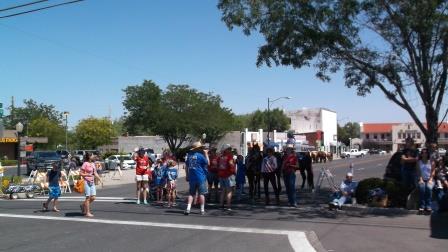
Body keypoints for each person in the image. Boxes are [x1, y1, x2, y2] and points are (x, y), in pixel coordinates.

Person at [184, 141, 209, 215]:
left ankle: (188, 209)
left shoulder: (189, 155)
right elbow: (207, 163)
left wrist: (187, 175)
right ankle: (202, 210)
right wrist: (206, 154)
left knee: (191, 194)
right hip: (200, 177)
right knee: (201, 194)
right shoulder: (200, 155)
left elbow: (186, 166)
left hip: (192, 177)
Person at [80, 152, 102, 217]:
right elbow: (80, 173)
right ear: (89, 157)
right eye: (92, 155)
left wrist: (100, 180)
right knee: (88, 197)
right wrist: (87, 174)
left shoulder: (92, 164)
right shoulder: (85, 164)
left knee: (93, 197)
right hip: (86, 181)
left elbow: (95, 173)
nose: (93, 156)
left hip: (92, 182)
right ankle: (87, 212)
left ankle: (83, 205)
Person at [416, 148, 435, 213]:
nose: (424, 154)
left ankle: (428, 206)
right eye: (423, 153)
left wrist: (430, 179)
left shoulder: (431, 161)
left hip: (430, 179)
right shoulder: (419, 162)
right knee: (422, 188)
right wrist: (421, 180)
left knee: (429, 188)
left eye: (425, 153)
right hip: (421, 179)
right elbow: (418, 172)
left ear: (427, 154)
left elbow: (433, 171)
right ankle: (422, 206)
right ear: (421, 154)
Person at [218, 144, 236, 211]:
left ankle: (221, 205)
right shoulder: (229, 157)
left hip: (221, 175)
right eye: (229, 149)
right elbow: (231, 166)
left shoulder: (220, 157)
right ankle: (228, 206)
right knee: (229, 191)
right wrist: (234, 172)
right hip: (228, 175)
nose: (230, 150)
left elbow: (217, 165)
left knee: (223, 191)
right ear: (227, 150)